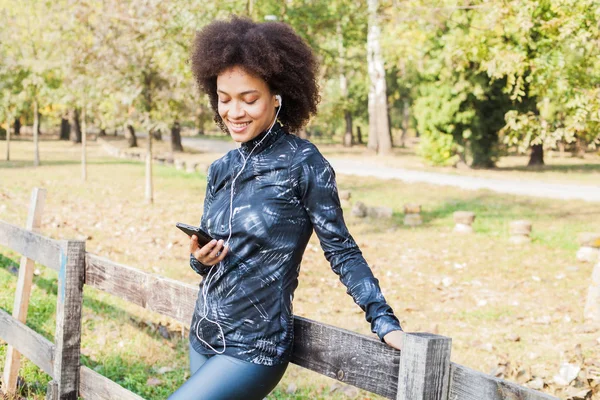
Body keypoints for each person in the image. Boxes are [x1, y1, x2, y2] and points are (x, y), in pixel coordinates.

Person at [168, 16, 404, 400]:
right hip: (204, 333)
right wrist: (200, 260)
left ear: (277, 97)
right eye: (224, 99)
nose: (234, 112)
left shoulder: (303, 163)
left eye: (249, 99)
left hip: (254, 347)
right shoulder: (221, 168)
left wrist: (384, 320)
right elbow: (213, 262)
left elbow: (341, 249)